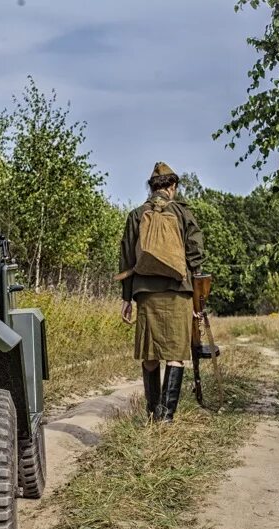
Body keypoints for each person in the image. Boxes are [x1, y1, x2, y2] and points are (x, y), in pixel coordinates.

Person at [118, 162, 205, 423]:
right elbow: (196, 253)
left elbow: (126, 259)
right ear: (172, 187)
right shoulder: (182, 213)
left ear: (152, 187)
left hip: (146, 293)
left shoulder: (136, 215)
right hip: (179, 291)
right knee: (176, 355)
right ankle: (166, 418)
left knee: (150, 354)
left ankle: (151, 413)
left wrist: (126, 298)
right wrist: (197, 296)